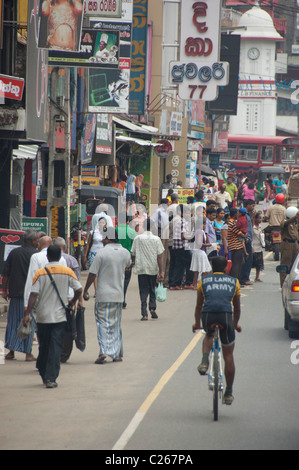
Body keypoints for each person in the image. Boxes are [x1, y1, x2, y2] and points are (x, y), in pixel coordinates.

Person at [24, 245, 82, 388]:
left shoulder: (40, 273)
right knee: (55, 347)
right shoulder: (67, 271)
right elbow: (78, 289)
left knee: (44, 346)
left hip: (42, 317)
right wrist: (73, 301)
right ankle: (51, 378)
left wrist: (27, 313)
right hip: (60, 317)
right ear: (60, 256)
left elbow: (33, 295)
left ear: (48, 257)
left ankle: (44, 372)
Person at [192, 256, 242, 405]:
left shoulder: (204, 281)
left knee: (208, 334)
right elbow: (237, 308)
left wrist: (196, 323)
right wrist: (235, 324)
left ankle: (204, 362)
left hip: (208, 316)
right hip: (226, 317)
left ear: (212, 268)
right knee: (228, 355)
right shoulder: (234, 282)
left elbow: (198, 306)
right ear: (226, 268)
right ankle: (229, 392)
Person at [83, 228, 131, 363]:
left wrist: (86, 289)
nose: (102, 240)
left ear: (108, 239)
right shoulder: (125, 253)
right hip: (118, 295)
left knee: (102, 324)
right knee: (115, 324)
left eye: (104, 238)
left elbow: (92, 274)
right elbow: (128, 268)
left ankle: (104, 351)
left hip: (103, 295)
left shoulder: (101, 253)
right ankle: (116, 354)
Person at [2, 230, 39, 361]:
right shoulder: (36, 255)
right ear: (33, 241)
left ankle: (11, 351)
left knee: (13, 322)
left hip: (15, 293)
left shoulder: (14, 253)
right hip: (31, 295)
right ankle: (28, 353)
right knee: (29, 322)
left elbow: (6, 273)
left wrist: (4, 290)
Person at [53, 237, 82, 363]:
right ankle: (64, 354)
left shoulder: (48, 260)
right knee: (68, 327)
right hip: (69, 299)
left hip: (52, 299)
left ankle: (54, 351)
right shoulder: (71, 260)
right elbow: (77, 282)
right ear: (64, 247)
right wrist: (78, 300)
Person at [131, 219, 164, 319]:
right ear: (153, 227)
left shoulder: (138, 238)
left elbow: (133, 253)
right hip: (152, 268)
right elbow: (159, 256)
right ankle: (152, 307)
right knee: (152, 289)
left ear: (144, 227)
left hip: (141, 268)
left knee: (143, 290)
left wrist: (132, 263)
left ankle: (144, 313)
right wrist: (161, 271)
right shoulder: (156, 239)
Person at [169, 205, 194, 290]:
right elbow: (183, 236)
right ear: (182, 213)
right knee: (189, 264)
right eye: (187, 213)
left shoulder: (177, 220)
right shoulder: (183, 221)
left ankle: (174, 284)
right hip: (183, 246)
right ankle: (188, 283)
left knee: (178, 265)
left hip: (176, 245)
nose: (189, 214)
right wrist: (191, 236)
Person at [115, 212, 136, 308]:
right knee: (126, 280)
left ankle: (117, 299)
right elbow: (134, 248)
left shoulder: (114, 230)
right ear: (128, 221)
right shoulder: (132, 232)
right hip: (127, 258)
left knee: (116, 279)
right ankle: (122, 299)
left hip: (115, 258)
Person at [84, 217, 107, 295]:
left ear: (106, 224)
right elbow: (88, 244)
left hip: (103, 253)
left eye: (103, 222)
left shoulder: (107, 233)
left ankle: (101, 289)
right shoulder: (93, 232)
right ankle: (96, 290)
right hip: (93, 253)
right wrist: (85, 255)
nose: (101, 224)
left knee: (102, 272)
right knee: (94, 272)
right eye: (100, 222)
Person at [279, 206, 299, 287]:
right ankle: (283, 284)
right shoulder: (285, 221)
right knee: (285, 265)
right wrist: (295, 217)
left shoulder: (295, 224)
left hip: (295, 244)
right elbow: (285, 224)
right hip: (287, 245)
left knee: (294, 265)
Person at [240, 199, 255, 287]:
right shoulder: (244, 215)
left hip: (248, 239)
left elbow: (250, 227)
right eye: (252, 206)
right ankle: (244, 278)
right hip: (246, 240)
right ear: (248, 205)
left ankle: (245, 278)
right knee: (247, 260)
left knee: (248, 259)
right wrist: (246, 238)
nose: (253, 208)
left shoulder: (248, 215)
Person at [227, 208, 246, 280]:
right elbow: (239, 233)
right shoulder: (232, 223)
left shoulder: (232, 222)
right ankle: (234, 280)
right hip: (236, 246)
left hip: (234, 245)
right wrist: (245, 237)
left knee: (236, 264)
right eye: (238, 213)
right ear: (235, 214)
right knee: (236, 264)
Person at [252, 212, 265, 282]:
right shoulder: (252, 227)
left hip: (259, 246)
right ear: (256, 219)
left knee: (259, 264)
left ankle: (257, 277)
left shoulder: (260, 227)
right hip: (253, 246)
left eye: (261, 218)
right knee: (251, 263)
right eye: (259, 218)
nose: (260, 220)